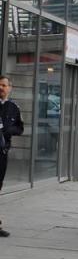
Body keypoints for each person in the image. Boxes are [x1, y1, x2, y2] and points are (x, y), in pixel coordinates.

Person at [0, 76, 24, 238]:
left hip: (2, 152)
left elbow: (20, 128)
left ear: (10, 88)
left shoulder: (13, 107)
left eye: (3, 85)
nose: (1, 88)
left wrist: (8, 132)